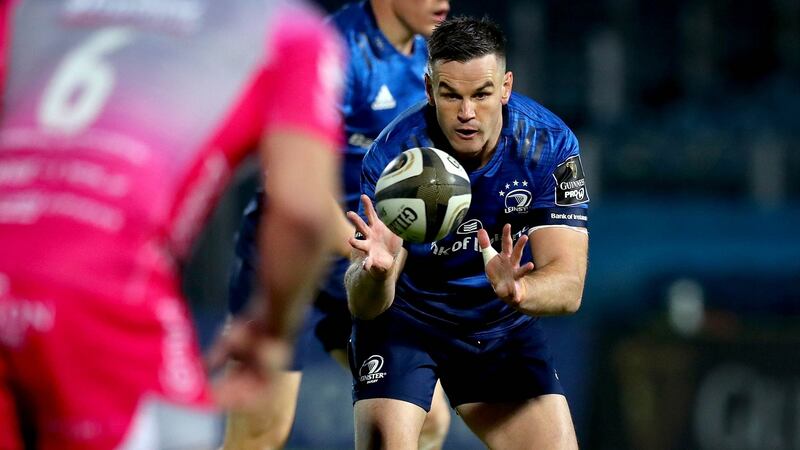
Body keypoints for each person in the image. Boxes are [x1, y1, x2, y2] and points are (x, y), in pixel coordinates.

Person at [0, 0, 345, 449]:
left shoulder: (28, 6)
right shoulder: (288, 32)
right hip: (107, 299)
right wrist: (270, 331)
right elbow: (302, 212)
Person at [345, 16, 590, 450]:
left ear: (507, 87)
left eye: (482, 94)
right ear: (428, 89)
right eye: (450, 94)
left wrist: (520, 291)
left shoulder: (548, 144)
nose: (466, 114)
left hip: (496, 326)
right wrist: (378, 274)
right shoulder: (393, 156)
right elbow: (365, 306)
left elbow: (569, 287)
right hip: (406, 322)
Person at [221, 1, 453, 449]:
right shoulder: (335, 50)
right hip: (285, 262)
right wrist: (363, 249)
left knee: (426, 419)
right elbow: (287, 176)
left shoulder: (433, 57)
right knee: (259, 436)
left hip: (359, 261)